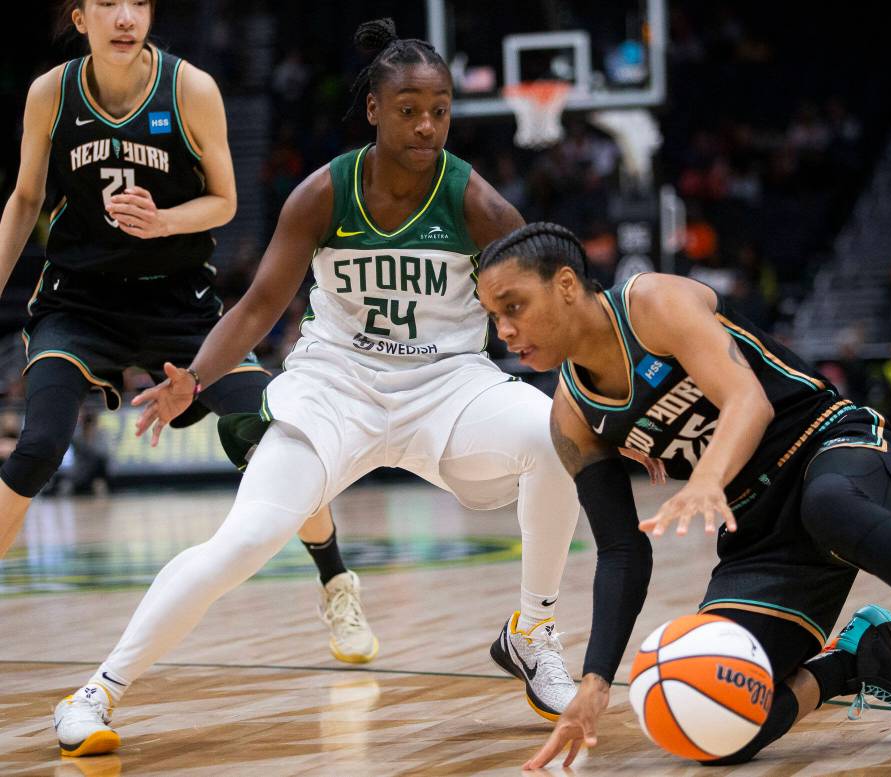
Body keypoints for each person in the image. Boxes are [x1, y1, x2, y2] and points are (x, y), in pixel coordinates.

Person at [52, 18, 582, 757]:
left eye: (439, 111)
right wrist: (194, 380)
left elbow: (542, 314)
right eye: (408, 110)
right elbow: (260, 304)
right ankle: (98, 689)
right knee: (244, 540)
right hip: (338, 385)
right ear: (374, 108)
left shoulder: (482, 207)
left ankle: (533, 630)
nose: (427, 125)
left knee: (552, 434)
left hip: (446, 385)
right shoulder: (321, 195)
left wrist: (597, 389)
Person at [473, 222, 891, 768]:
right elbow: (621, 552)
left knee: (828, 506)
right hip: (759, 533)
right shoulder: (571, 417)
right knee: (714, 724)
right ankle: (855, 660)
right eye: (494, 317)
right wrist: (593, 682)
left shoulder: (652, 302)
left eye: (513, 307)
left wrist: (708, 479)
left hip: (836, 447)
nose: (505, 332)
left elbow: (748, 401)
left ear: (567, 285)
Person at [0, 0, 367, 665]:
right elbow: (26, 200)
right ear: (79, 17)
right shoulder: (50, 95)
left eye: (137, 3)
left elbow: (224, 199)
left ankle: (336, 578)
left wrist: (162, 221)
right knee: (38, 447)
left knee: (273, 434)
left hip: (181, 308)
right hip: (79, 303)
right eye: (107, 4)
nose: (124, 17)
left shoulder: (189, 87)